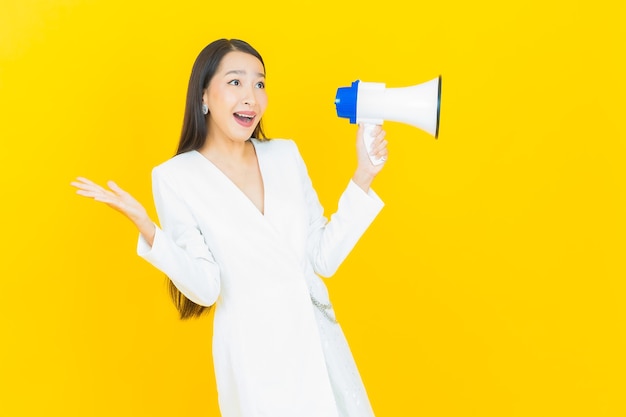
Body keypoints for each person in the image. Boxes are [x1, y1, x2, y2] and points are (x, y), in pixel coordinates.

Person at [71, 38, 388, 417]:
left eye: (260, 83)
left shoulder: (285, 154)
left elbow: (323, 257)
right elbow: (206, 288)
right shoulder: (175, 177)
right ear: (204, 95)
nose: (251, 96)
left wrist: (364, 175)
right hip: (254, 354)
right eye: (235, 82)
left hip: (316, 342)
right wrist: (149, 229)